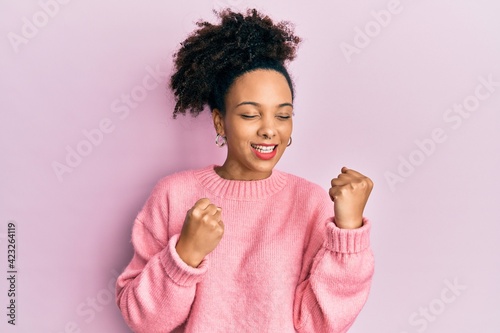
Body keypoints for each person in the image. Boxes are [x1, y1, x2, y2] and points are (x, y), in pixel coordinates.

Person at [115, 8, 375, 333]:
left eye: (282, 116)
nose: (269, 130)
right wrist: (185, 254)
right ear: (220, 121)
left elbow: (319, 324)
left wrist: (347, 231)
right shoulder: (173, 195)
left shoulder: (310, 203)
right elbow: (143, 321)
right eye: (251, 115)